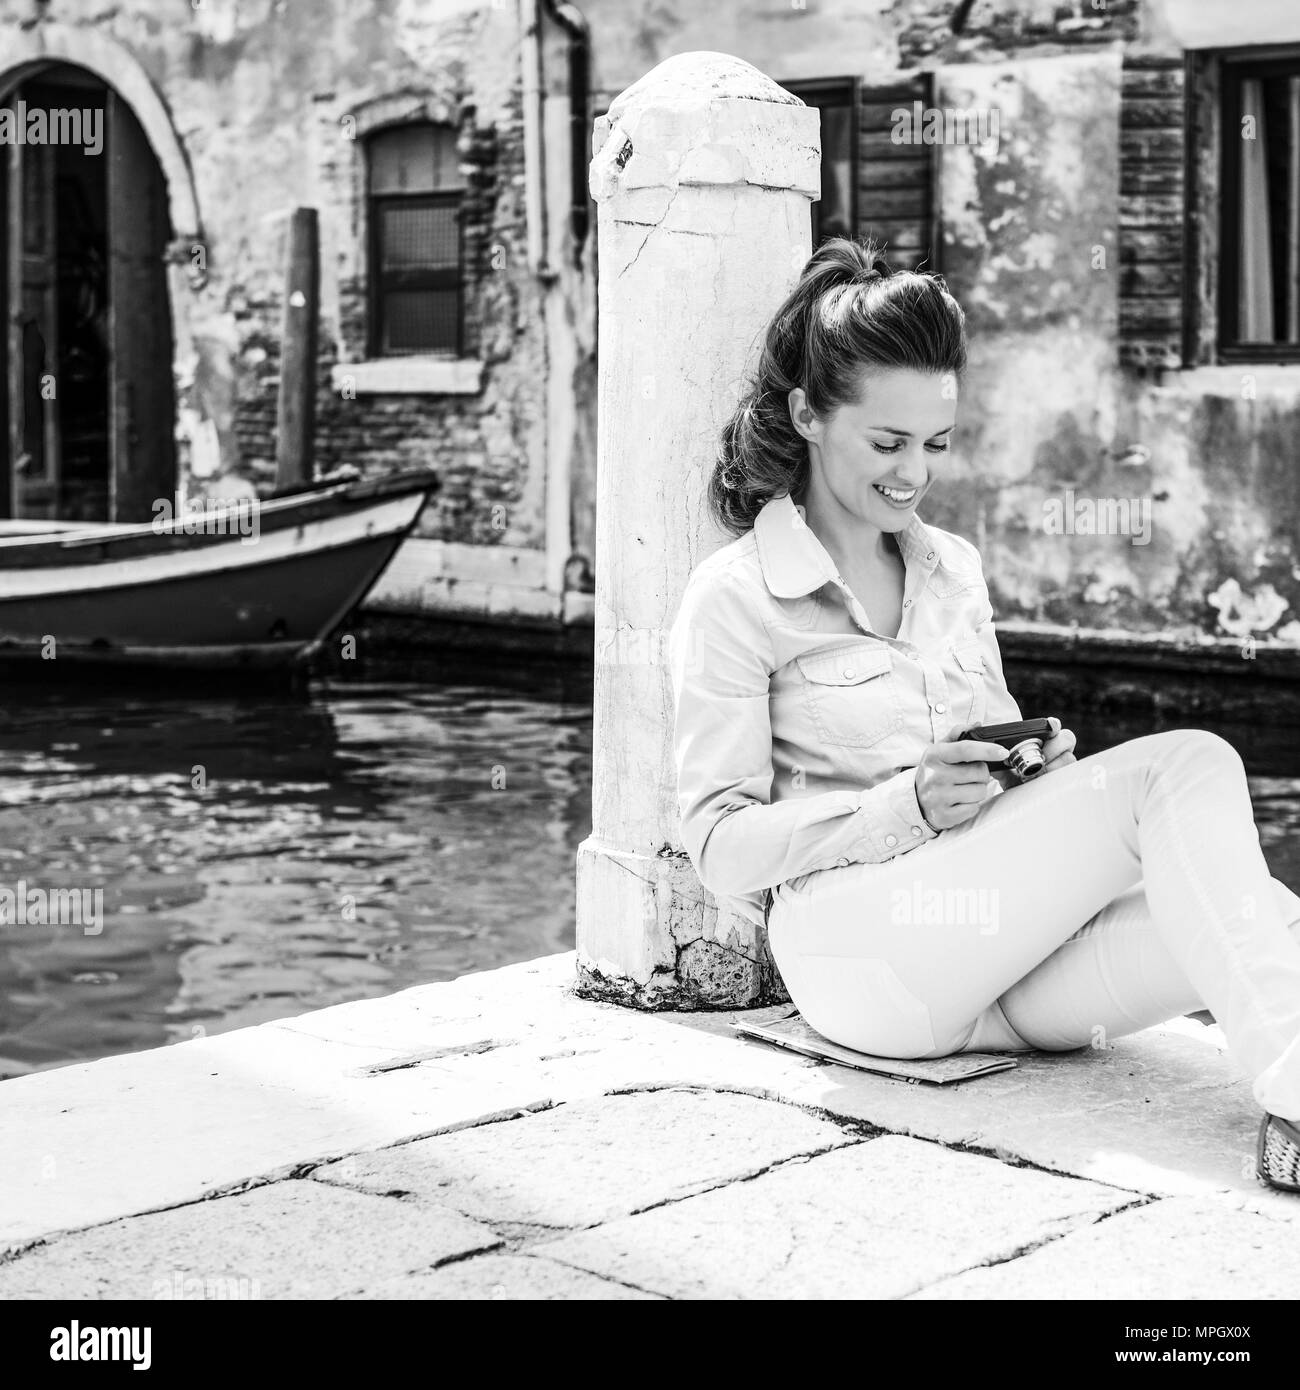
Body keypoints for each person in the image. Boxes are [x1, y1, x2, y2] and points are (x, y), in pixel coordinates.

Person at [666, 236, 1300, 1193]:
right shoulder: (738, 596)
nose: (913, 473)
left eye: (936, 442)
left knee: (1260, 915)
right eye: (886, 442)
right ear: (807, 414)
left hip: (1000, 978)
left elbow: (995, 761)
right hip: (864, 961)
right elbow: (716, 843)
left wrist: (1031, 768)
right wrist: (903, 806)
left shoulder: (952, 568)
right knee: (1188, 764)